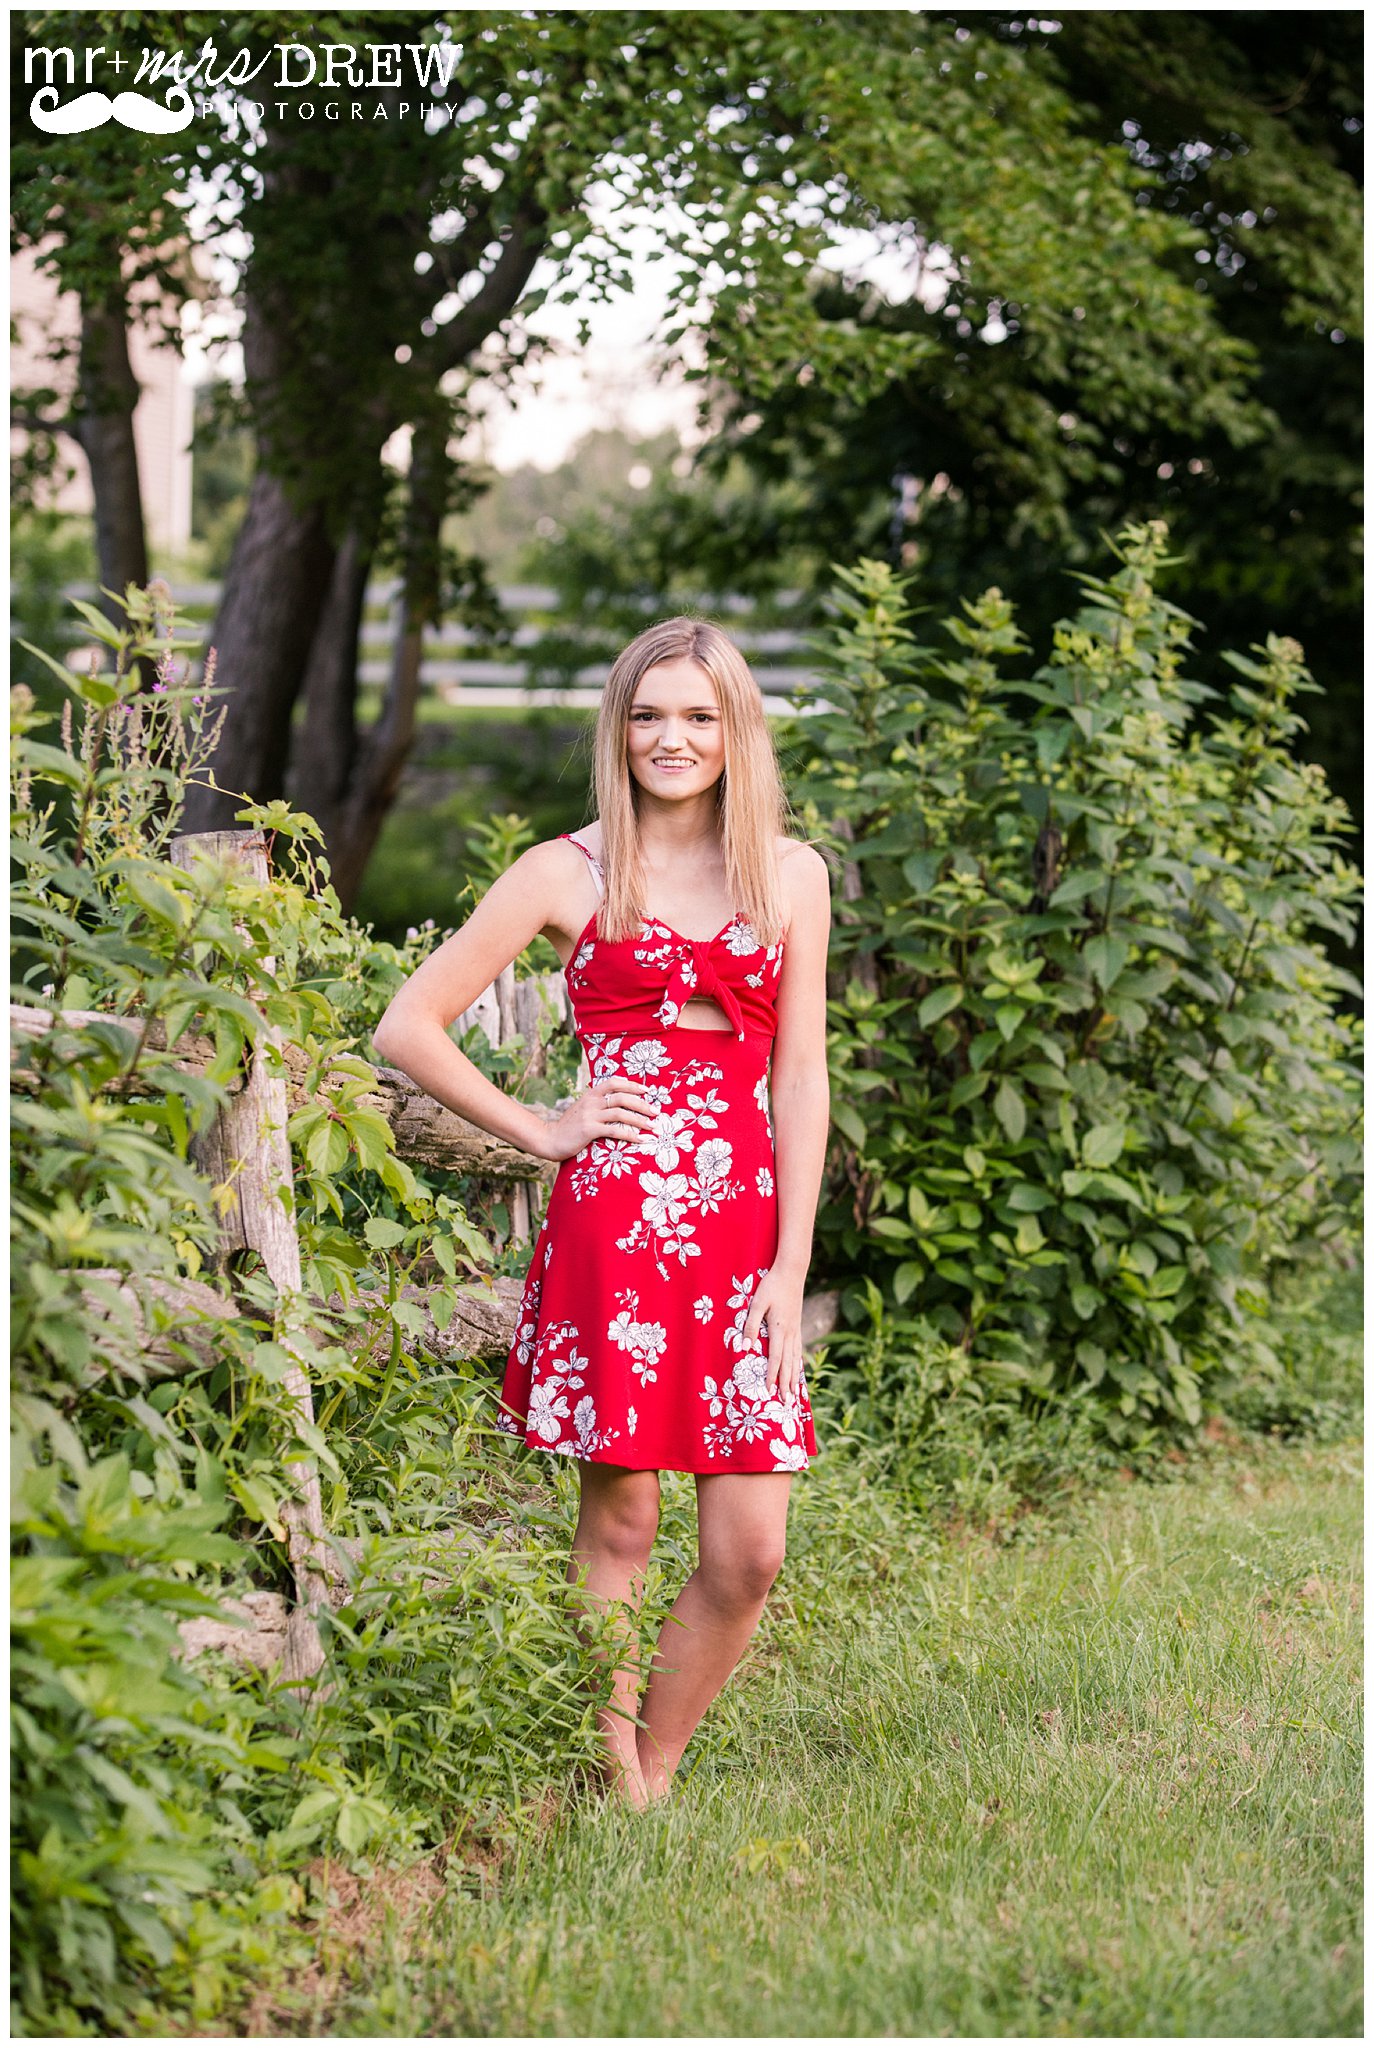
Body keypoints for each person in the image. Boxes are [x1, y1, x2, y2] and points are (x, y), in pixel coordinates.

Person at [372, 616, 831, 1808]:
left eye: (696, 715)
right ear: (617, 727)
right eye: (646, 714)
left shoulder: (789, 873)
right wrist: (538, 1125)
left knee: (749, 1550)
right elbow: (407, 1024)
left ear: (736, 731)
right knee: (622, 1525)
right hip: (616, 1224)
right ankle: (625, 1782)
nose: (669, 738)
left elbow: (799, 1076)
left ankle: (655, 1756)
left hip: (742, 1235)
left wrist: (792, 1266)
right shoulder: (565, 871)